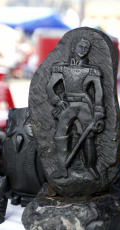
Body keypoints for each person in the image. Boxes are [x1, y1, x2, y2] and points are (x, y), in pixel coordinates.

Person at [46, 37, 105, 179]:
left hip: (84, 105)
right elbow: (49, 86)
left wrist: (98, 111)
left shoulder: (92, 71)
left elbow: (99, 91)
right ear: (73, 47)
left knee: (89, 137)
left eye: (87, 47)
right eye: (81, 45)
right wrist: (56, 100)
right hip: (67, 105)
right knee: (60, 136)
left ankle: (90, 168)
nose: (84, 49)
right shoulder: (61, 68)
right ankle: (62, 168)